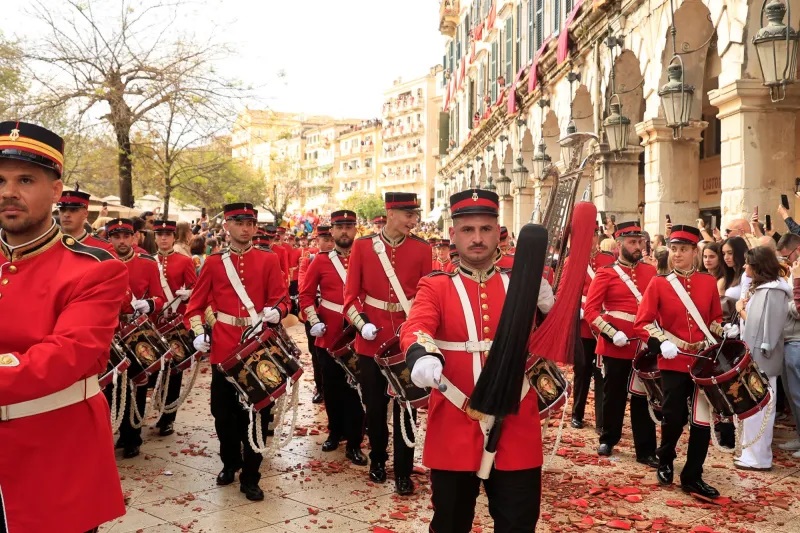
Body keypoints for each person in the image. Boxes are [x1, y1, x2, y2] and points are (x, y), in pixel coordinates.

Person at [0, 120, 127, 532]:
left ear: (56, 191)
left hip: (55, 461)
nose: (8, 192)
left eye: (25, 180)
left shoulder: (95, 269)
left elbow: (65, 356)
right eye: (0, 180)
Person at [400, 189, 542, 532]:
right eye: (467, 230)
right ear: (453, 234)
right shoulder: (435, 286)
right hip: (455, 420)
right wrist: (422, 354)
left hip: (516, 422)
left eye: (485, 229)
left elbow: (556, 342)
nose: (477, 238)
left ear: (498, 231)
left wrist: (552, 309)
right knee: (450, 522)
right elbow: (416, 326)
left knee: (518, 523)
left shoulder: (523, 284)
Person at [185, 203, 289, 501]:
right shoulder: (213, 262)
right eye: (240, 223)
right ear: (227, 226)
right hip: (224, 347)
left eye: (251, 223)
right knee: (223, 413)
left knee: (258, 413)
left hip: (258, 347)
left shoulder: (268, 259)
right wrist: (197, 333)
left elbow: (282, 300)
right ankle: (230, 461)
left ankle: (251, 476)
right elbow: (195, 306)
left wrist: (278, 312)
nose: (246, 228)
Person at [343, 192, 432, 495]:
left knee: (407, 408)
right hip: (371, 339)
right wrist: (362, 323)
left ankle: (404, 471)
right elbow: (350, 297)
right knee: (375, 406)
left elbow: (426, 296)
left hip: (407, 340)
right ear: (391, 213)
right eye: (408, 214)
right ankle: (378, 460)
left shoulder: (422, 249)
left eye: (415, 215)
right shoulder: (363, 246)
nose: (413, 220)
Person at [634, 224, 730, 498]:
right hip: (673, 359)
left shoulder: (707, 282)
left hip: (701, 361)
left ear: (694, 252)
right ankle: (665, 458)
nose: (677, 254)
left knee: (701, 420)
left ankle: (692, 475)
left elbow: (713, 319)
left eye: (683, 249)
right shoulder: (659, 283)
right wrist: (661, 342)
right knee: (673, 417)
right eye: (674, 249)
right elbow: (642, 322)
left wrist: (725, 329)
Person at [584, 221, 658, 466]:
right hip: (616, 342)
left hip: (643, 343)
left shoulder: (650, 272)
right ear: (619, 244)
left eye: (640, 242)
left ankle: (646, 449)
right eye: (632, 242)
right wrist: (610, 332)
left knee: (643, 397)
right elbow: (591, 311)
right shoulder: (606, 273)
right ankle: (608, 438)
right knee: (614, 394)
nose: (637, 246)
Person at [300, 210, 366, 465]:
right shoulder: (320, 261)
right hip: (329, 334)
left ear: (355, 229)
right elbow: (306, 295)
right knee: (332, 387)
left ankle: (355, 442)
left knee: (357, 389)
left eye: (349, 226)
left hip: (359, 333)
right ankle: (335, 431)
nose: (344, 231)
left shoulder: (366, 258)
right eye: (340, 227)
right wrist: (314, 320)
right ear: (333, 231)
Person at [106, 217, 167, 458]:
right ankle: (117, 431)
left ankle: (133, 435)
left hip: (136, 332)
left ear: (134, 237)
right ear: (109, 239)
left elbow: (160, 298)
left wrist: (149, 304)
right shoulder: (101, 261)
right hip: (109, 331)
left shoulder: (147, 263)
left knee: (137, 383)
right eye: (116, 237)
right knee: (112, 385)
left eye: (126, 236)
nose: (122, 241)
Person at [734, 246, 790, 471]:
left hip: (762, 358)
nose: (744, 266)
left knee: (761, 408)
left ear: (758, 267)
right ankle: (751, 453)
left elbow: (767, 327)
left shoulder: (774, 290)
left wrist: (740, 310)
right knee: (753, 408)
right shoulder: (764, 289)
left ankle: (759, 457)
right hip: (755, 354)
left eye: (748, 263)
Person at [152, 219, 198, 437]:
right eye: (160, 235)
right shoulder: (149, 261)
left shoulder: (184, 261)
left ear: (173, 237)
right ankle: (155, 409)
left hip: (175, 323)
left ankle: (168, 418)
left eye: (168, 235)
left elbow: (196, 288)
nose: (164, 238)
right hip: (153, 323)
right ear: (154, 238)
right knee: (153, 369)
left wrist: (189, 294)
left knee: (174, 371)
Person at [570, 226, 614, 431]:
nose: (591, 239)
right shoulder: (573, 261)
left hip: (604, 322)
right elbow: (564, 291)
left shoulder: (608, 259)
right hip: (583, 326)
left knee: (602, 372)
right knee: (582, 370)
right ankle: (577, 413)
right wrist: (577, 310)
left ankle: (602, 420)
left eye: (594, 235)